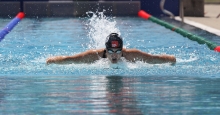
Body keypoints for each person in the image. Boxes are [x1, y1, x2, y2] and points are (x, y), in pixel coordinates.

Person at [46, 33, 176, 65]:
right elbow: (70, 59)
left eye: (118, 51)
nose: (114, 56)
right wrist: (52, 60)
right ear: (106, 50)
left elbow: (153, 59)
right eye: (111, 52)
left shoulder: (131, 55)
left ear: (122, 50)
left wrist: (171, 59)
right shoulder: (94, 55)